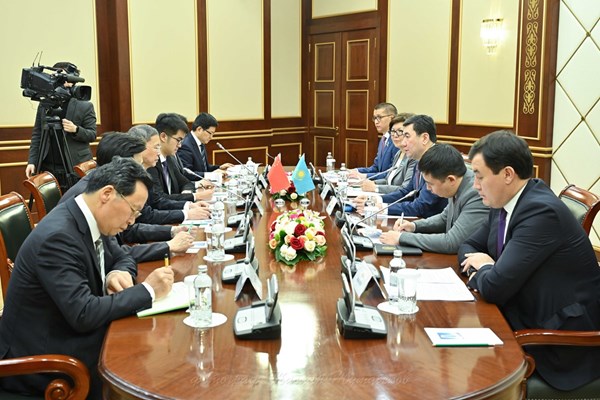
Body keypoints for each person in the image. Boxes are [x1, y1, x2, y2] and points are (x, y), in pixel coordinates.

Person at [0, 157, 175, 399]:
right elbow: (84, 314)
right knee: (148, 361)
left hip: (68, 330)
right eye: (133, 210)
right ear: (107, 194)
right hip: (44, 358)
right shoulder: (58, 237)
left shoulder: (91, 217)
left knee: (151, 343)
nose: (132, 220)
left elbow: (122, 256)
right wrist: (149, 290)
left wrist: (117, 272)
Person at [458, 130, 600, 391]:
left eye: (479, 176)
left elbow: (494, 287)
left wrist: (486, 266)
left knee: (465, 371)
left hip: (557, 341)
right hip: (520, 311)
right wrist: (488, 270)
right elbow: (467, 247)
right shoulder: (505, 202)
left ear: (507, 174)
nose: (475, 185)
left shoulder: (540, 212)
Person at [59, 132, 196, 261]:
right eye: (138, 165)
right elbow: (112, 255)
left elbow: (125, 235)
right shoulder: (91, 197)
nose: (141, 170)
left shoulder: (105, 186)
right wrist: (167, 246)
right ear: (119, 163)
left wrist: (172, 231)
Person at [379, 143, 488, 253]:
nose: (428, 188)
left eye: (430, 184)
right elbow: (444, 218)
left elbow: (452, 242)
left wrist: (401, 238)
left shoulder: (476, 193)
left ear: (451, 180)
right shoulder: (457, 183)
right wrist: (414, 226)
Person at [355, 114, 447, 217]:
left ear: (424, 138)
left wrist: (383, 208)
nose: (403, 143)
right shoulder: (419, 159)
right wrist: (376, 199)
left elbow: (422, 206)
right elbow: (406, 192)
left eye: (407, 136)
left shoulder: (437, 162)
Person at [26, 62, 97, 190]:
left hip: (75, 164)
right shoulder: (45, 104)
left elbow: (92, 134)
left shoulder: (85, 105)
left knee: (76, 199)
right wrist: (32, 161)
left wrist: (76, 130)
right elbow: (37, 134)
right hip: (48, 166)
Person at [128, 124, 211, 225]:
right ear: (139, 148)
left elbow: (158, 200)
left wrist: (188, 205)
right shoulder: (132, 174)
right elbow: (147, 215)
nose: (159, 153)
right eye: (156, 147)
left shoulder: (168, 159)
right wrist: (185, 214)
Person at [146, 113, 213, 202]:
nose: (180, 145)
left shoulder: (169, 159)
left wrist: (186, 193)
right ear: (163, 137)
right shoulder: (151, 163)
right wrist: (194, 196)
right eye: (178, 140)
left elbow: (185, 183)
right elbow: (159, 199)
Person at [360, 113, 416, 194]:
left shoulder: (413, 157)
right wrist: (371, 183)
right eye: (393, 131)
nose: (395, 135)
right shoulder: (399, 153)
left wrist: (376, 188)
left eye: (400, 131)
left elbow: (405, 189)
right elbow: (388, 180)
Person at [349, 102, 399, 179]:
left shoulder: (396, 140)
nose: (376, 122)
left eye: (379, 117)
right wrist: (356, 171)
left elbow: (391, 173)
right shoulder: (383, 139)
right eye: (375, 118)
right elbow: (376, 168)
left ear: (392, 118)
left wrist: (364, 176)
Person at [178, 112, 233, 178]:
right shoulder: (186, 145)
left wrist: (219, 167)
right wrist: (212, 175)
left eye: (213, 134)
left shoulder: (200, 142)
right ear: (199, 129)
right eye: (210, 133)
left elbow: (204, 168)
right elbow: (187, 173)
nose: (211, 137)